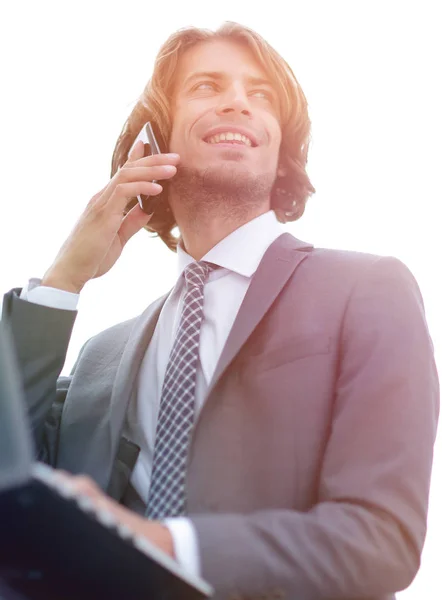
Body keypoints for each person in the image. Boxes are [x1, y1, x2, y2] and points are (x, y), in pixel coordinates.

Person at [2, 21, 439, 600]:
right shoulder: (101, 356)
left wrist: (162, 545)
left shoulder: (367, 288)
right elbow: (10, 479)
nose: (237, 100)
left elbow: (380, 540)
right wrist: (64, 280)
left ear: (282, 152)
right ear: (152, 141)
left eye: (261, 95)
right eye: (207, 86)